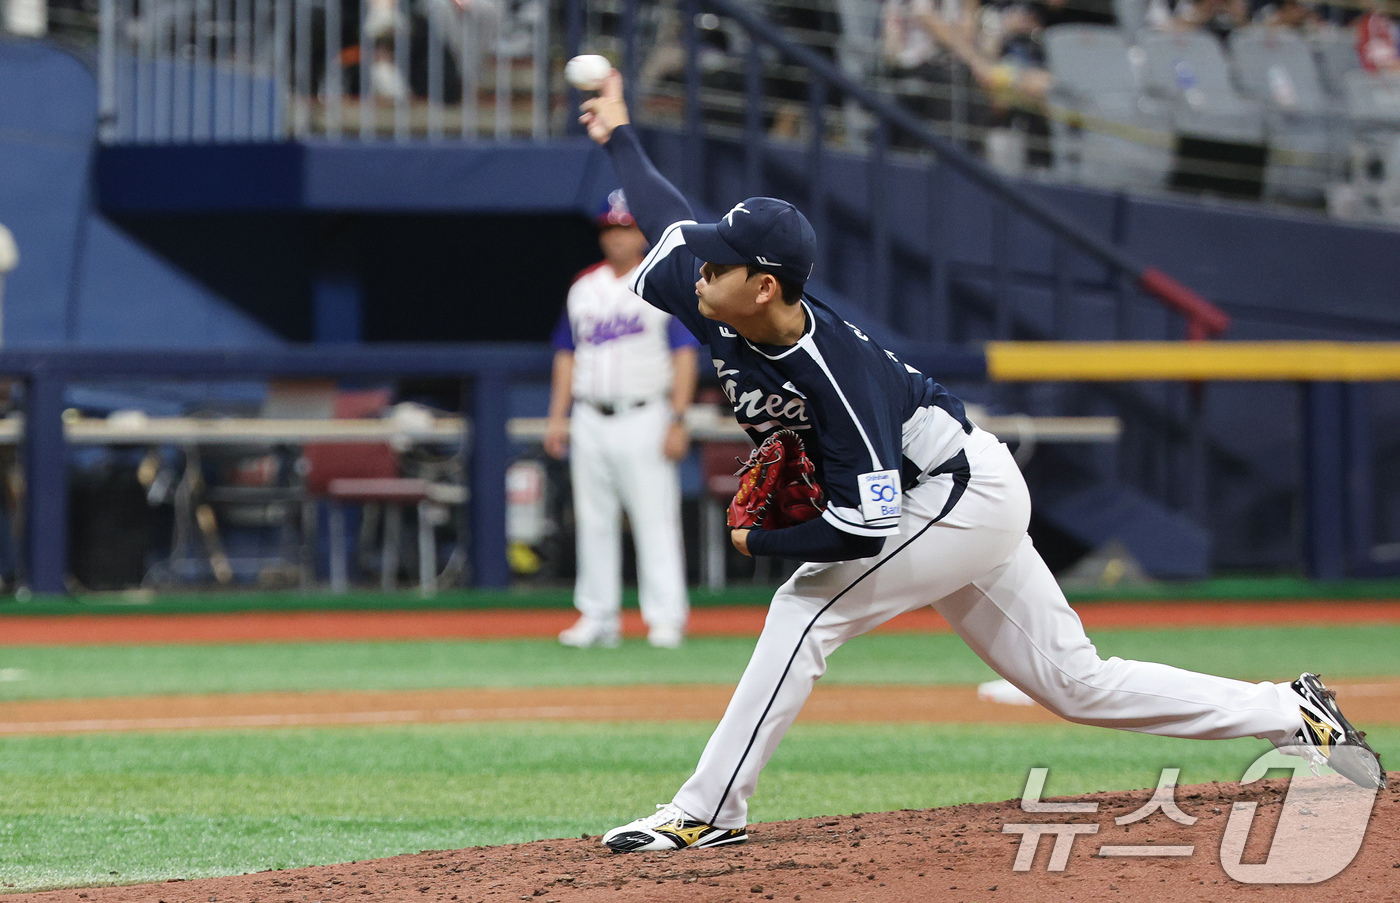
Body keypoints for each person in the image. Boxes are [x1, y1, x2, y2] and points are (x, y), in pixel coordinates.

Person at [571, 70, 1387, 852]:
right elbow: (665, 214)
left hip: (957, 495)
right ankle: (1292, 710)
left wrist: (763, 545)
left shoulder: (833, 373)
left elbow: (864, 526)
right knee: (1076, 683)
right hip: (959, 493)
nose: (699, 268)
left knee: (806, 608)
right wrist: (620, 137)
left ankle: (708, 808)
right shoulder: (709, 288)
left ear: (765, 286)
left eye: (721, 262)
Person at [545, 190, 699, 650]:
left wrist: (678, 418)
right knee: (592, 520)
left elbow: (685, 356)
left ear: (641, 232)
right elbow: (566, 355)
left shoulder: (659, 283)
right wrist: (558, 418)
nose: (616, 236)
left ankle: (666, 618)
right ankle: (598, 617)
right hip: (590, 415)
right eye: (609, 228)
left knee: (655, 519)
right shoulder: (583, 286)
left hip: (645, 413)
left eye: (624, 227)